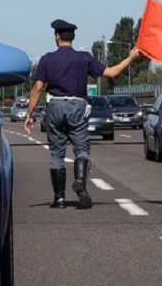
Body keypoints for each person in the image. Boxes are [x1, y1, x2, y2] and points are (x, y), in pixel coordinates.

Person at [24, 19, 141, 209]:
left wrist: (29, 114)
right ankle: (79, 180)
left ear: (57, 36)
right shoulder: (84, 58)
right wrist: (130, 58)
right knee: (82, 150)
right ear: (73, 37)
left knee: (56, 154)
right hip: (77, 106)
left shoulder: (46, 60)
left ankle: (59, 198)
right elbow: (111, 73)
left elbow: (38, 88)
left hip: (54, 106)